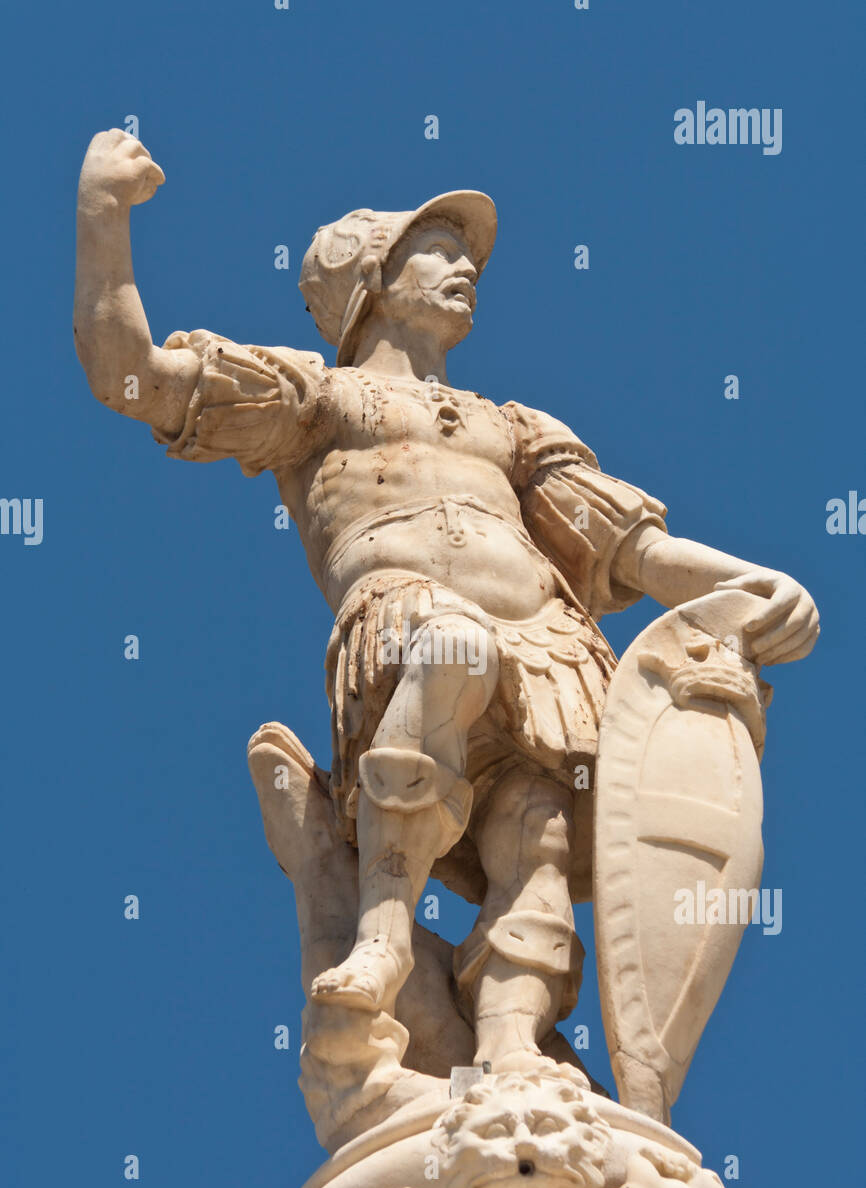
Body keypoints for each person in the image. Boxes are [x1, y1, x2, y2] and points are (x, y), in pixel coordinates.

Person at [75, 129, 819, 1074]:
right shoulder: (315, 398)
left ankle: (516, 1050)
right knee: (454, 649)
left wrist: (746, 585)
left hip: (551, 646)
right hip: (411, 622)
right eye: (439, 248)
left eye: (467, 253)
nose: (467, 266)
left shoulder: (510, 430)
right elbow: (124, 371)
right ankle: (384, 935)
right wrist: (104, 212)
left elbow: (633, 549)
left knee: (538, 836)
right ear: (372, 281)